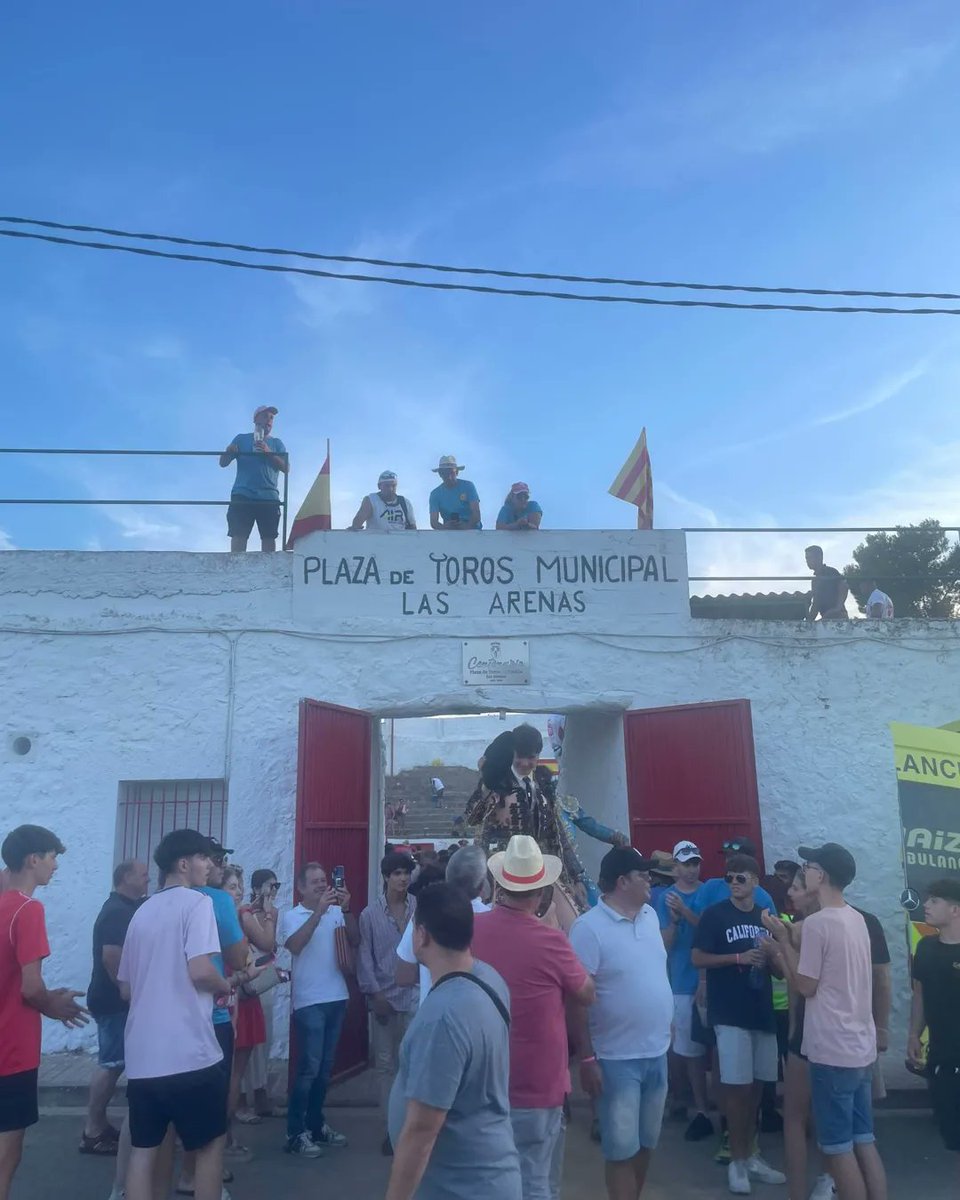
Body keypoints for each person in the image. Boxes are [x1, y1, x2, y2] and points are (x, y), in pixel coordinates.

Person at [118, 829, 260, 1200]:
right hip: (190, 1054)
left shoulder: (141, 912)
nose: (211, 864)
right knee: (209, 1147)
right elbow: (200, 970)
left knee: (145, 1152)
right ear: (184, 864)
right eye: (203, 858)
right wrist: (227, 983)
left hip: (143, 1058)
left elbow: (126, 988)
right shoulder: (197, 904)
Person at [472, 836, 595, 1200]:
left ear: (498, 885)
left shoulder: (473, 931)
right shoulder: (551, 940)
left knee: (491, 1183)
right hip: (539, 1085)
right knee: (539, 1184)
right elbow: (586, 993)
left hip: (484, 1081)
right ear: (541, 892)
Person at [386, 882, 521, 1200]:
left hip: (462, 1187)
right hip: (485, 1176)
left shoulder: (444, 1016)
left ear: (422, 935)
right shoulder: (488, 977)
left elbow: (422, 1129)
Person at [766, 844, 886, 1200]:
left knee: (836, 1147)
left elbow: (805, 986)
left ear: (823, 875)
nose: (806, 870)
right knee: (864, 1140)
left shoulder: (818, 924)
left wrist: (783, 940)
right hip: (859, 1047)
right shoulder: (857, 919)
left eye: (810, 866)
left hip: (832, 1050)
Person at [568, 846, 673, 1200]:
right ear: (622, 881)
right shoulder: (588, 929)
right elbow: (577, 1000)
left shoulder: (649, 916)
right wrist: (586, 1058)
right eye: (643, 875)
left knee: (647, 1144)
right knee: (620, 1150)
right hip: (615, 1058)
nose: (650, 880)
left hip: (657, 1051)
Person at [0, 825, 87, 1200]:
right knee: (7, 1150)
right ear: (33, 859)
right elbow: (30, 987)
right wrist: (54, 1006)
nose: (55, 866)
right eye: (52, 857)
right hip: (12, 1049)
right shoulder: (28, 909)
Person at [691, 853, 786, 1195]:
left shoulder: (766, 918)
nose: (733, 883)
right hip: (729, 1013)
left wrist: (771, 954)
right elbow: (697, 957)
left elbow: (779, 972)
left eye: (740, 878)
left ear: (755, 882)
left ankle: (753, 1154)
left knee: (760, 1087)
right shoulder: (715, 916)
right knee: (736, 1087)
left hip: (761, 1011)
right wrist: (737, 957)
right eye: (729, 877)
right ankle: (737, 1159)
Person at [176, 839, 250, 1194]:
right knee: (211, 1105)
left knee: (163, 1109)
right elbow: (239, 958)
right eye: (214, 859)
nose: (218, 865)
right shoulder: (218, 901)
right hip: (212, 1014)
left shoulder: (155, 903)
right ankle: (199, 1177)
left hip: (171, 1018)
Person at [280, 861, 357, 1156]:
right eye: (314, 881)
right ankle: (295, 1132)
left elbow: (355, 939)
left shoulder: (337, 911)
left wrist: (347, 909)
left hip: (336, 997)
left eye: (324, 880)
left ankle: (315, 1125)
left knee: (324, 1071)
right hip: (309, 1001)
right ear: (300, 888)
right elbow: (295, 946)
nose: (322, 885)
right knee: (308, 1069)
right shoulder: (292, 915)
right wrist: (319, 913)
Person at [81, 859, 148, 1157]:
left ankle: (100, 1125)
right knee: (110, 1064)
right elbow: (111, 958)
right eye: (143, 874)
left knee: (116, 1063)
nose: (148, 878)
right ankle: (92, 1131)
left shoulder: (127, 908)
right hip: (112, 1001)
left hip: (116, 1000)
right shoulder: (116, 912)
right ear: (125, 878)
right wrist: (128, 992)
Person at [357, 851, 419, 1155]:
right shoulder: (369, 914)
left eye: (406, 872)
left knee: (413, 1063)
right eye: (396, 873)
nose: (402, 878)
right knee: (385, 1066)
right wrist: (375, 994)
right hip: (383, 998)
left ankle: (411, 1127)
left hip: (415, 996)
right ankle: (390, 1127)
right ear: (385, 877)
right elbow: (364, 957)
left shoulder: (418, 908)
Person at [654, 840, 712, 1142]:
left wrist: (685, 912)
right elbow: (665, 942)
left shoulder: (707, 892)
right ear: (675, 867)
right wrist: (675, 918)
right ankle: (682, 1099)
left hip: (703, 981)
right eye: (685, 864)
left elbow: (709, 928)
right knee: (679, 1047)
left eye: (695, 863)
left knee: (697, 1049)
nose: (691, 870)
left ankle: (701, 1107)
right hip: (677, 980)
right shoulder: (665, 897)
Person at [908, 878, 960, 1162]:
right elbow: (919, 995)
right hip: (942, 1060)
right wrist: (914, 1034)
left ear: (955, 910)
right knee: (951, 1140)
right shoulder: (925, 948)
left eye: (934, 901)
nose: (925, 905)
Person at [222, 866, 274, 1146]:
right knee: (233, 1074)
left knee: (231, 1073)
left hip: (235, 998)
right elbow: (265, 943)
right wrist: (269, 916)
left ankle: (222, 1132)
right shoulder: (237, 917)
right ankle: (224, 1136)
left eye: (239, 885)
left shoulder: (228, 916)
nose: (238, 890)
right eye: (232, 886)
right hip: (235, 1000)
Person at [396, 848, 489, 1006]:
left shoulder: (424, 912)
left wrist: (429, 972)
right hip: (481, 1016)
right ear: (481, 886)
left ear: (447, 878)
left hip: (434, 1012)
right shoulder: (493, 917)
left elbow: (403, 976)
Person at [237, 869, 283, 1121]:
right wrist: (269, 917)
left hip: (264, 978)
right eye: (269, 886)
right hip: (250, 980)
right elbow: (266, 942)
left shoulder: (267, 913)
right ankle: (242, 1099)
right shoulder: (248, 913)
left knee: (263, 1040)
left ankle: (261, 1093)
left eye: (276, 886)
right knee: (248, 1043)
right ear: (257, 889)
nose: (274, 891)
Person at [219, 405, 288, 552]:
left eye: (271, 418)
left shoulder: (277, 443)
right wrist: (228, 451)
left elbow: (286, 468)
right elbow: (223, 463)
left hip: (268, 496)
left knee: (269, 536)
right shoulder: (241, 438)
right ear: (256, 419)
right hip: (243, 494)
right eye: (265, 416)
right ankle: (236, 567)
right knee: (238, 534)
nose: (269, 420)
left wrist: (268, 452)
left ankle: (269, 571)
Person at [690, 838, 777, 918]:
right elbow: (700, 921)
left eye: (733, 857)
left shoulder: (763, 898)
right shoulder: (711, 886)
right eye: (727, 857)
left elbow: (773, 930)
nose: (728, 861)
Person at [350, 470, 417, 532]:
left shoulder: (405, 503)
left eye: (393, 486)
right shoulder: (371, 500)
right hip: (376, 542)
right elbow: (358, 522)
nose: (390, 489)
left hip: (400, 542)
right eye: (387, 486)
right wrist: (355, 526)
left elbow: (413, 528)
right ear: (379, 486)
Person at [428, 455, 482, 530]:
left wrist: (467, 526)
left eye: (451, 473)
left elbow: (476, 514)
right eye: (445, 473)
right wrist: (444, 528)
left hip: (472, 532)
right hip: (449, 534)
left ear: (457, 472)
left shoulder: (468, 486)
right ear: (440, 474)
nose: (449, 477)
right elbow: (434, 522)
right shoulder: (435, 494)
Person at [804, 546, 848, 621]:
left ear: (819, 557)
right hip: (826, 618)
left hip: (839, 617)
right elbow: (816, 604)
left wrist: (838, 608)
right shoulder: (815, 580)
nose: (807, 561)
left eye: (809, 558)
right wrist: (808, 622)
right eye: (806, 558)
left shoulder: (830, 572)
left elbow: (844, 586)